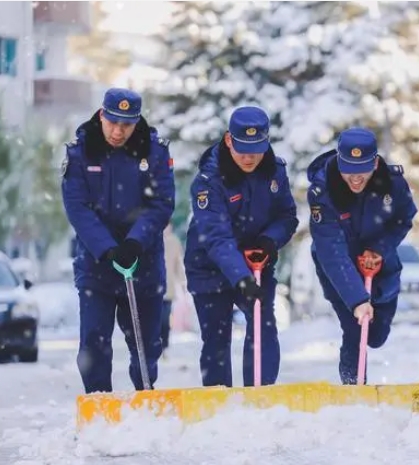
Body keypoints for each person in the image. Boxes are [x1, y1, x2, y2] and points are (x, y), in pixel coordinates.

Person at [61, 88, 175, 393]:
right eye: (112, 122)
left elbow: (162, 203)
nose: (118, 130)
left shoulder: (155, 153)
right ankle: (100, 408)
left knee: (146, 346)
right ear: (102, 115)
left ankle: (145, 399)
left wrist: (135, 241)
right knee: (94, 344)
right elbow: (76, 206)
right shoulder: (80, 153)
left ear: (136, 122)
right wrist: (108, 247)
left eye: (126, 124)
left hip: (144, 263)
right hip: (97, 266)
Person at [184, 105, 299, 387]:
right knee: (216, 338)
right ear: (228, 140)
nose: (249, 157)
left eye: (256, 149)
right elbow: (216, 236)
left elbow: (287, 216)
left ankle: (261, 394)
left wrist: (269, 240)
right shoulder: (208, 181)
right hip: (209, 267)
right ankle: (218, 402)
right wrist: (241, 277)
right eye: (242, 149)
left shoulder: (275, 172)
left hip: (256, 263)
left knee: (263, 328)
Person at [307, 127, 417, 385]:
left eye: (362, 170)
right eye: (348, 170)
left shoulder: (393, 183)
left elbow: (404, 218)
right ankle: (353, 390)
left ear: (375, 163)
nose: (355, 178)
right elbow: (330, 249)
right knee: (355, 330)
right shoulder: (323, 191)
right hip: (339, 267)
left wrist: (379, 249)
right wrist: (357, 299)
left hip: (381, 265)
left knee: (376, 335)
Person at [161, 223, 187, 357]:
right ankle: (153, 346)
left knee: (165, 320)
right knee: (152, 320)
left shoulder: (174, 242)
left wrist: (182, 284)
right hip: (152, 288)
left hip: (167, 288)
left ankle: (164, 346)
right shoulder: (153, 238)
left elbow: (178, 264)